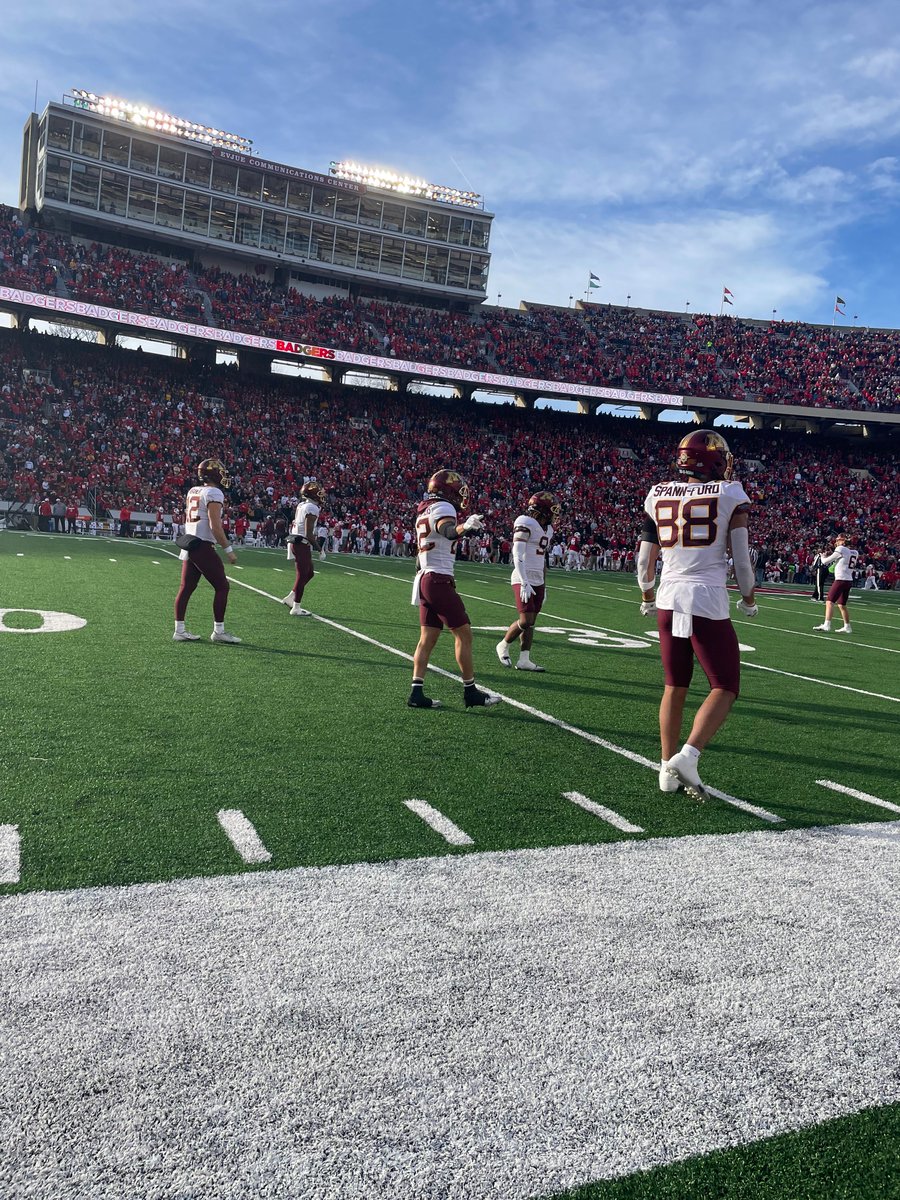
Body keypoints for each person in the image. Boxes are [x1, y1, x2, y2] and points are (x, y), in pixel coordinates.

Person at [637, 430, 758, 802]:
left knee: (674, 684)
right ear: (716, 461)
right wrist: (749, 599)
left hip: (669, 595)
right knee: (725, 685)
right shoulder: (730, 492)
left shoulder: (657, 493)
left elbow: (644, 561)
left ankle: (664, 769)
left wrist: (647, 595)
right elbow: (741, 558)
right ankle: (688, 755)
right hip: (706, 596)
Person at [408, 469, 500, 710]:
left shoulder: (422, 511)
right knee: (464, 635)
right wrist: (465, 527)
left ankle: (416, 693)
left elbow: (420, 556)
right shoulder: (444, 509)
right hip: (438, 580)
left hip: (425, 578)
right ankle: (470, 691)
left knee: (426, 639)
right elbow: (448, 531)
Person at [173, 458, 241, 644]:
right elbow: (215, 526)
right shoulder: (214, 492)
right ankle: (219, 631)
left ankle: (179, 630)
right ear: (214, 474)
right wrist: (228, 550)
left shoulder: (194, 490)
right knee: (222, 586)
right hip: (202, 545)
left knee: (186, 588)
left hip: (190, 543)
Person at [496, 491, 559, 672]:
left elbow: (542, 559)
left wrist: (544, 586)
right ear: (542, 510)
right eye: (552, 511)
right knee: (525, 620)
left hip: (538, 577)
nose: (554, 515)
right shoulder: (525, 521)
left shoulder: (548, 529)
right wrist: (523, 581)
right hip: (523, 576)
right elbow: (517, 553)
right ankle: (504, 644)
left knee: (532, 621)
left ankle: (524, 659)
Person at [283, 482, 326, 616]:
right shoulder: (312, 508)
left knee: (309, 573)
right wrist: (320, 549)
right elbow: (308, 534)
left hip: (297, 541)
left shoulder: (302, 505)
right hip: (301, 542)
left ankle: (291, 597)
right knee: (302, 575)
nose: (321, 496)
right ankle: (296, 607)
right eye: (319, 493)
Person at [814, 535, 858, 633]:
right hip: (848, 580)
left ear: (843, 541)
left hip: (840, 580)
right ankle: (847, 626)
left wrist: (822, 555)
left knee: (829, 602)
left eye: (838, 540)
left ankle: (827, 624)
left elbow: (825, 562)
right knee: (842, 605)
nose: (836, 542)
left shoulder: (841, 548)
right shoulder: (855, 552)